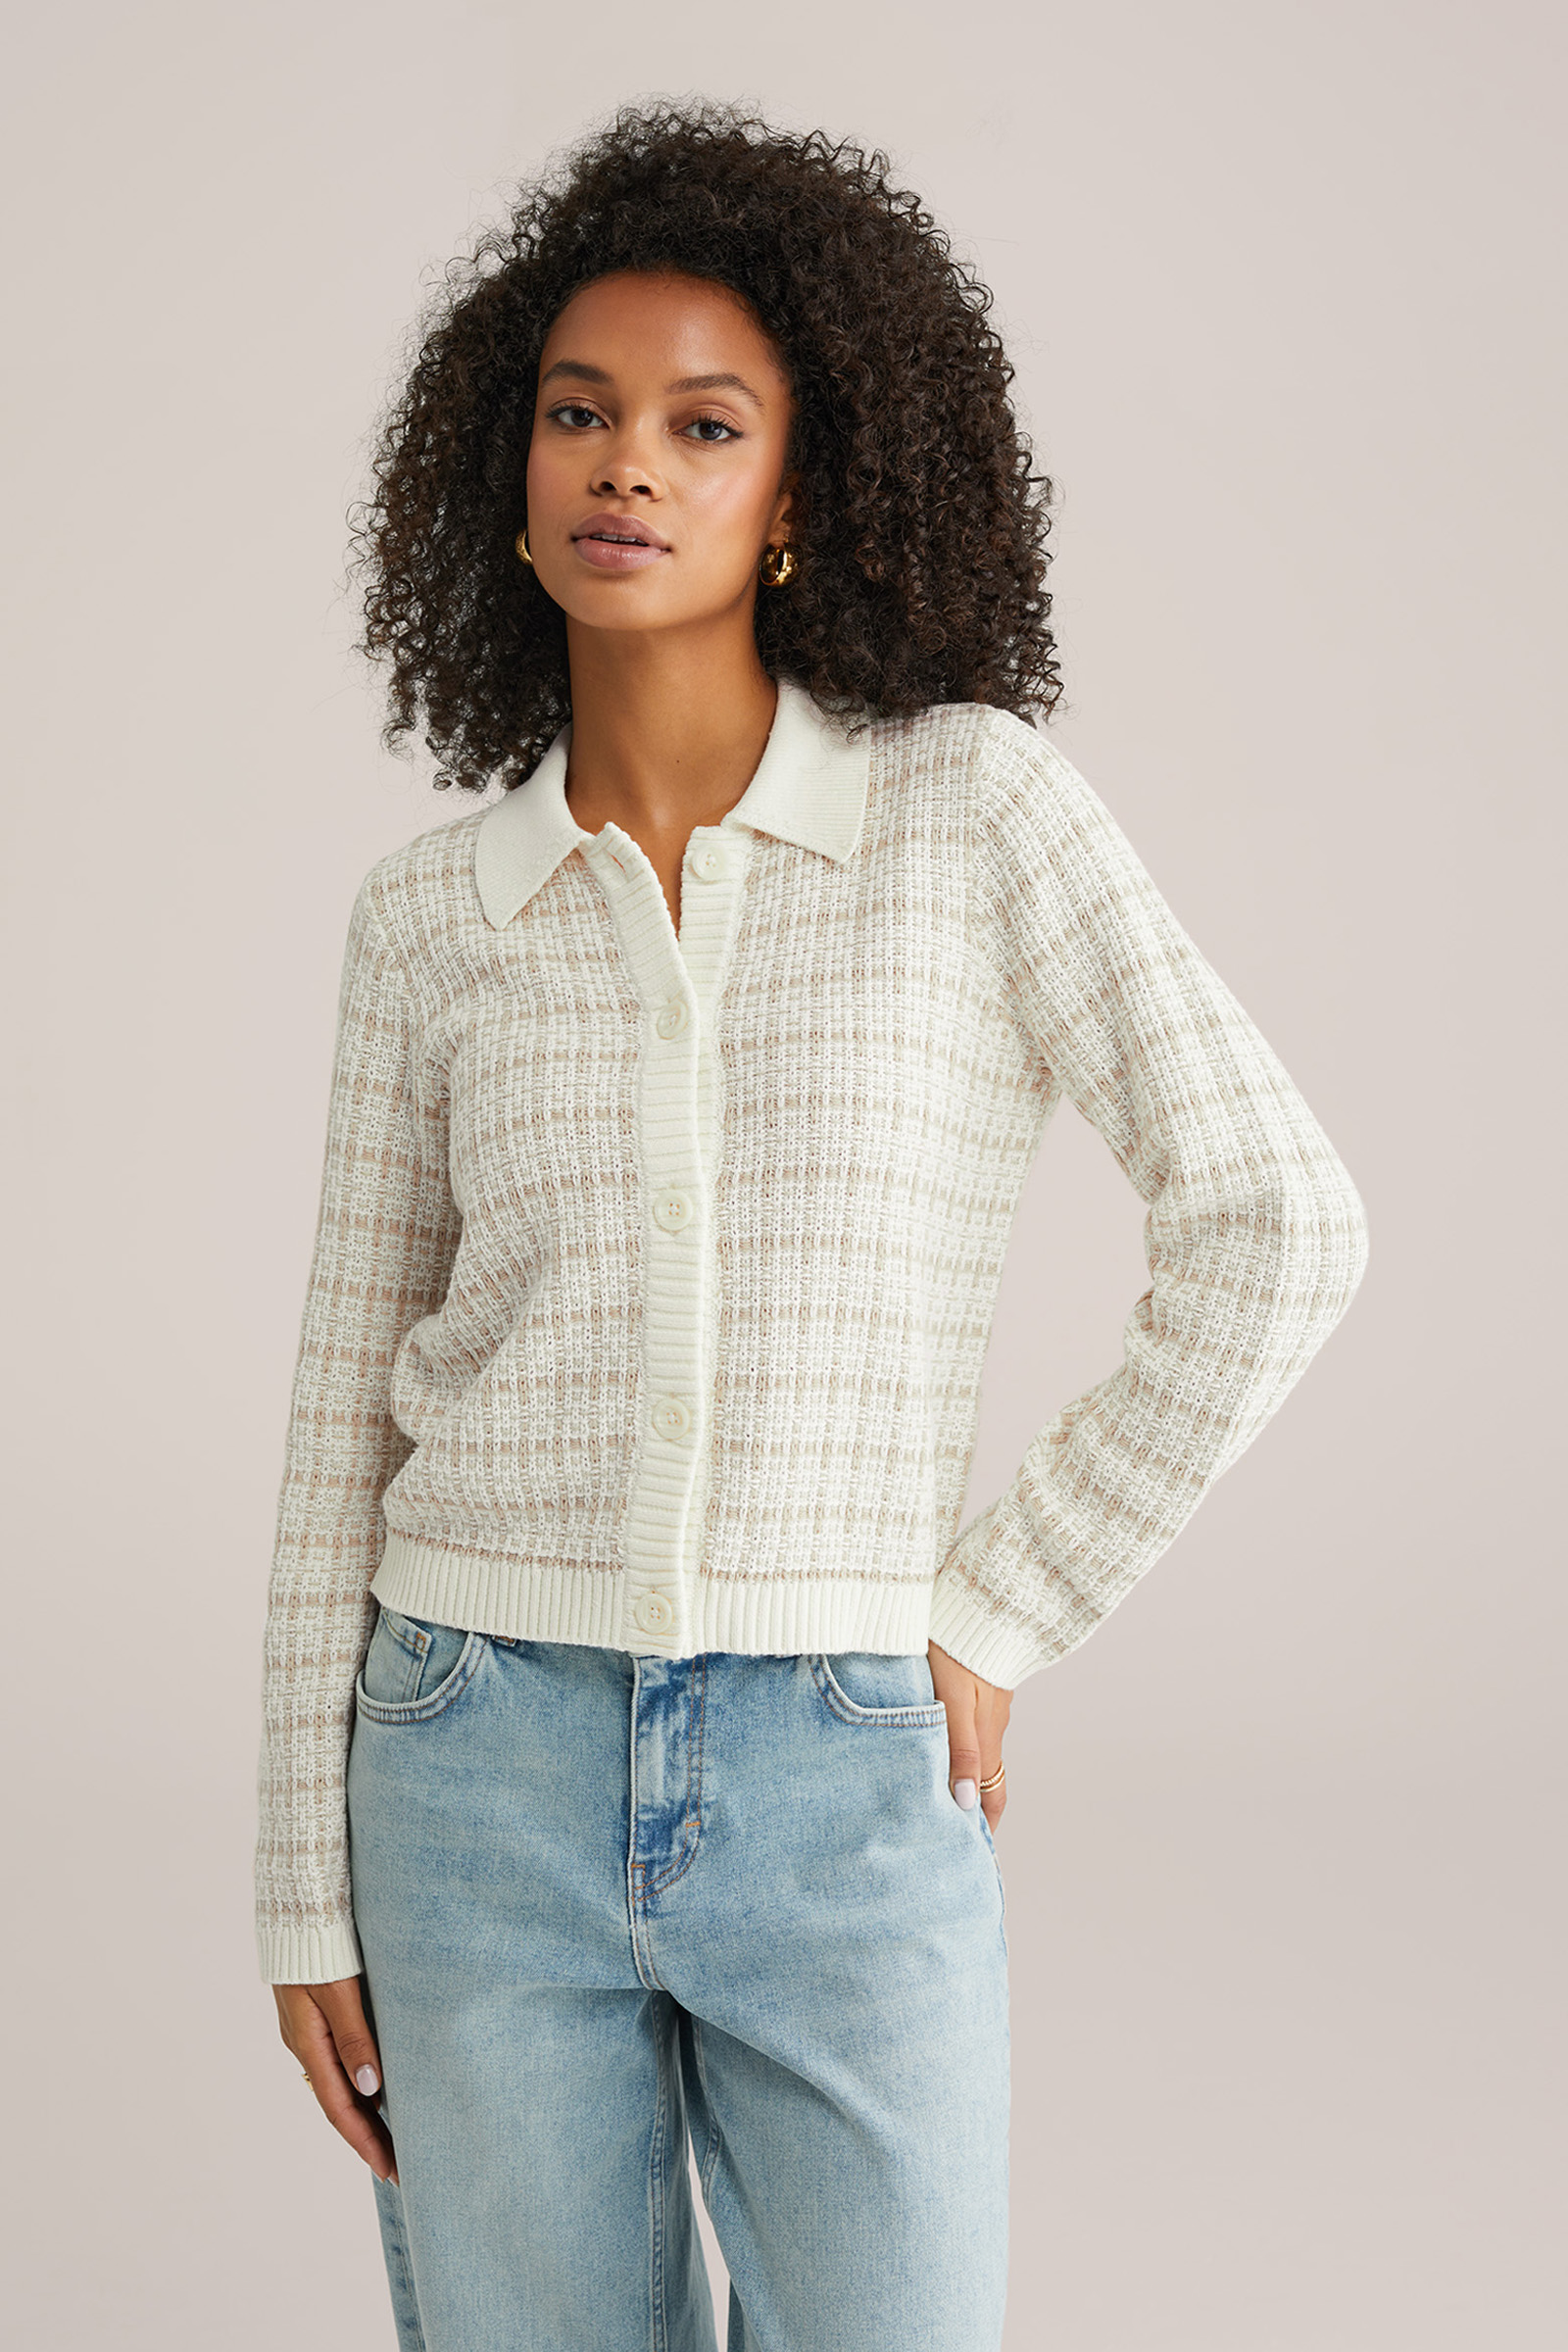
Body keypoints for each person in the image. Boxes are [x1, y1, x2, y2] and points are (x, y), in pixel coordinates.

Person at [255, 100, 1370, 2352]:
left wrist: (998, 1607)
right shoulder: (431, 916)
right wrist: (299, 1876)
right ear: (505, 467)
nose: (625, 467)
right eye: (576, 412)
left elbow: (1275, 1218)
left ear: (797, 492)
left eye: (701, 424)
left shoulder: (970, 818)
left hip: (839, 1770)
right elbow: (340, 1414)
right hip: (468, 1760)